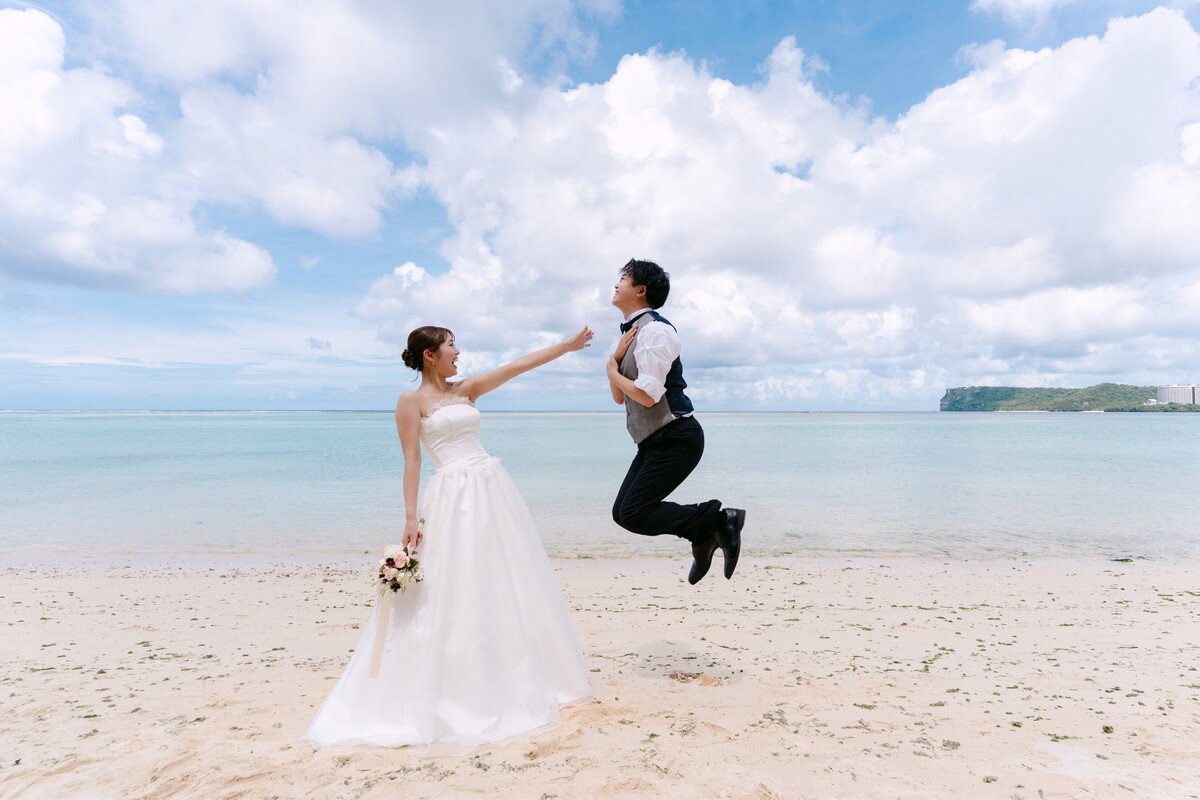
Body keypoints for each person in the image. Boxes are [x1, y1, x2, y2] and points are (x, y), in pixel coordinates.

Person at [304, 324, 596, 755]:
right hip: (452, 495)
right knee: (456, 584)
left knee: (507, 578)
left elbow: (517, 366)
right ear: (430, 354)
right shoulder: (410, 402)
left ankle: (520, 673)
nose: (458, 352)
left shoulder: (467, 389)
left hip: (492, 488)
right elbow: (412, 459)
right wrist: (410, 516)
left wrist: (567, 347)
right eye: (451, 345)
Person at [606, 259, 745, 584]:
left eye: (622, 279)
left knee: (633, 512)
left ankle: (719, 521)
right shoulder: (633, 334)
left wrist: (611, 370)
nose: (616, 284)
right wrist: (614, 360)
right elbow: (620, 397)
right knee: (622, 514)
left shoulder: (657, 331)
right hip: (653, 441)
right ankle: (702, 534)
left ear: (640, 290)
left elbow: (647, 396)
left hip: (677, 436)